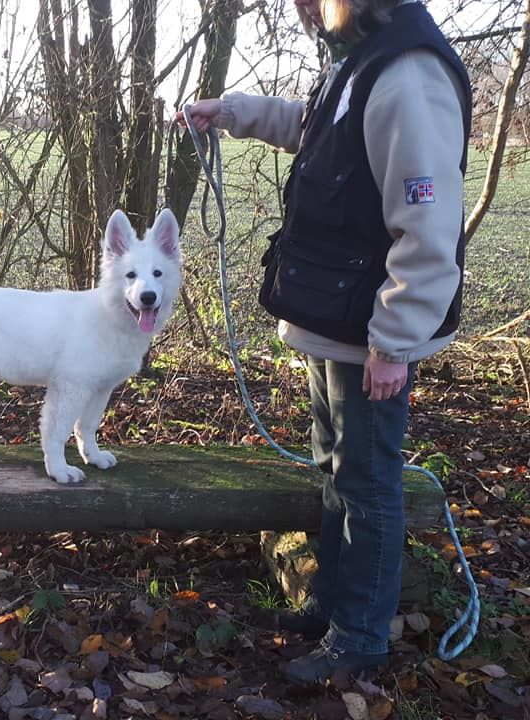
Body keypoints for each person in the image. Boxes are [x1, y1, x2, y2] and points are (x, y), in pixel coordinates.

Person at [176, 0, 472, 683]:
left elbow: (429, 225)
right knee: (335, 471)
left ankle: (359, 638)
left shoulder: (408, 74)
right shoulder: (363, 58)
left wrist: (394, 341)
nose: (304, 7)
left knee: (367, 484)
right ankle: (333, 605)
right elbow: (320, 128)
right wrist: (233, 112)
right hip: (335, 321)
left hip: (371, 334)